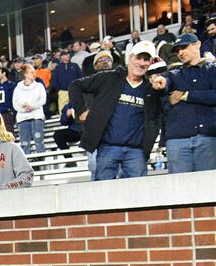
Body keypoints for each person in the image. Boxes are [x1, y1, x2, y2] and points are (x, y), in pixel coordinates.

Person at [69, 41, 163, 180]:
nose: (141, 63)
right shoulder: (109, 77)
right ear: (130, 58)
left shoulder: (151, 88)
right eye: (138, 57)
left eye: (146, 59)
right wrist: (81, 111)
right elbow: (75, 85)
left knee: (139, 195)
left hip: (136, 151)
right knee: (104, 193)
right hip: (108, 147)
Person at [151, 33, 216, 173]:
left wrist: (186, 95)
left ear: (197, 45)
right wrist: (161, 83)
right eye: (177, 50)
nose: (180, 53)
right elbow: (165, 82)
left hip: (207, 137)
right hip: (178, 139)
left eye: (184, 47)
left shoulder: (212, 70)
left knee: (207, 189)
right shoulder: (174, 74)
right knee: (178, 190)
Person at [13, 64, 47, 155]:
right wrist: (24, 109)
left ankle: (41, 161)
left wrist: (33, 106)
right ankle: (26, 164)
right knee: (24, 142)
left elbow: (43, 100)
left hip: (37, 116)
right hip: (22, 118)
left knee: (38, 140)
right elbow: (15, 104)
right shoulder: (18, 88)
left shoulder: (39, 86)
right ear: (26, 74)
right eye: (31, 72)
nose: (34, 74)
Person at [0, 67, 17, 133]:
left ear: (4, 73)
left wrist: (12, 110)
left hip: (8, 113)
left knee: (9, 133)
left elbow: (14, 99)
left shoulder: (11, 85)